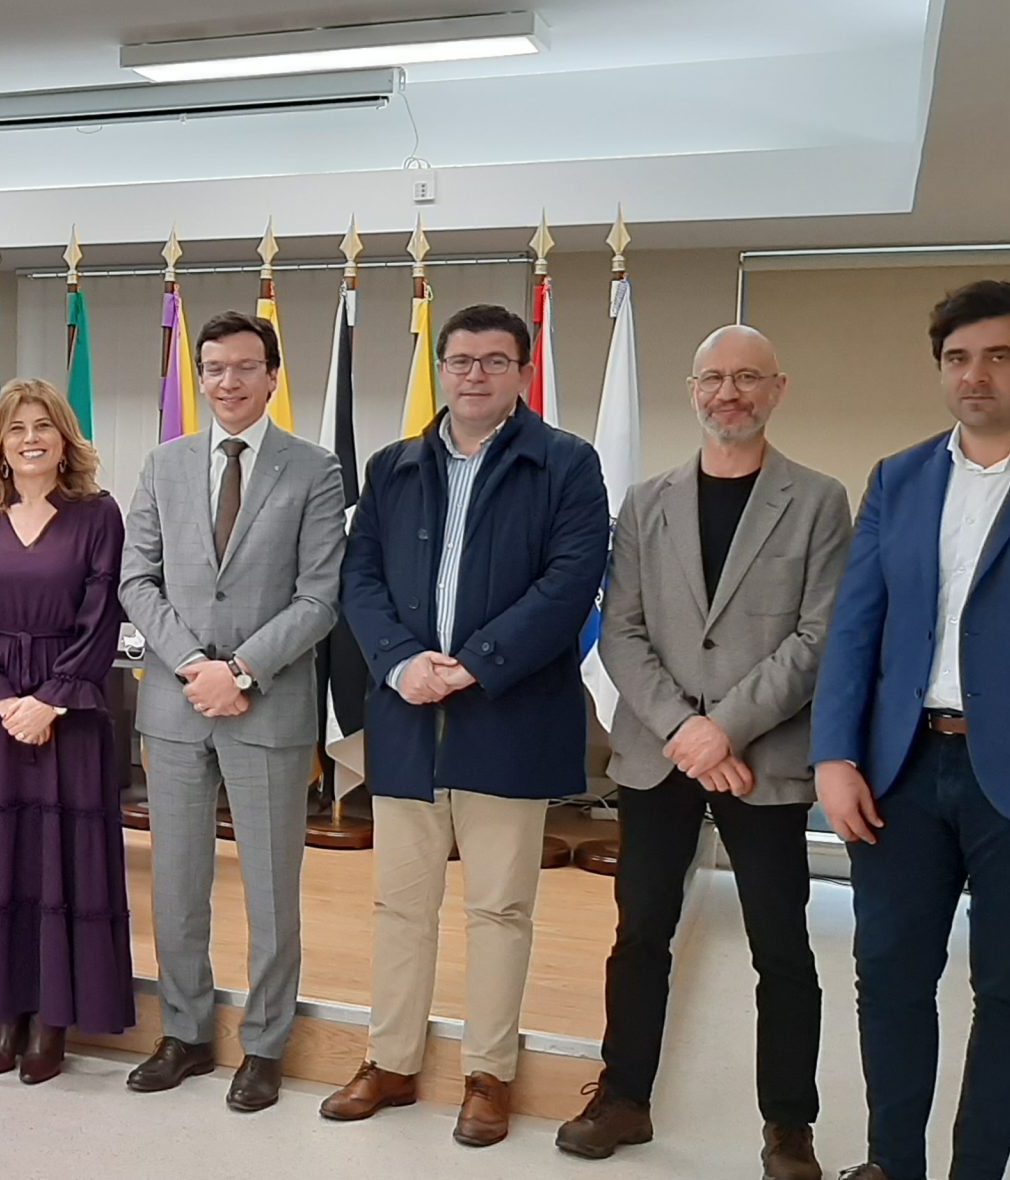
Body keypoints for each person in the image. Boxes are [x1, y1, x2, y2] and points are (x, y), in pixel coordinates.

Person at [812, 281, 1010, 1180]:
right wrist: (835, 755)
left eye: (998, 355)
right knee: (887, 977)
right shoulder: (901, 476)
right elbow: (856, 630)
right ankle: (892, 1166)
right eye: (957, 358)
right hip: (901, 771)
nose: (975, 375)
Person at [556, 326, 847, 1178]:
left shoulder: (819, 499)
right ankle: (624, 1097)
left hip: (763, 758)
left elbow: (819, 634)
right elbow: (622, 632)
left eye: (749, 377)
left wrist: (727, 728)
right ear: (692, 391)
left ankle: (789, 1126)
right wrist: (687, 731)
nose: (731, 393)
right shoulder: (645, 504)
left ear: (778, 387)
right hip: (660, 754)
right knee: (640, 931)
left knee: (781, 947)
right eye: (715, 378)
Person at [324, 305, 608, 1146]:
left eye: (494, 360)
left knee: (501, 909)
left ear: (522, 371)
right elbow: (360, 573)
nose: (474, 374)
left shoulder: (566, 463)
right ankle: (392, 1060)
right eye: (460, 360)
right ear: (441, 369)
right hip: (407, 718)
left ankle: (490, 1074)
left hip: (509, 716)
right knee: (400, 907)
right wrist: (402, 661)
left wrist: (478, 661)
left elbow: (571, 579)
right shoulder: (394, 465)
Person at [117, 311, 347, 1113]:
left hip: (268, 706)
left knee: (270, 889)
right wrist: (192, 665)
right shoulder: (164, 463)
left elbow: (321, 595)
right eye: (213, 368)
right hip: (177, 707)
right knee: (176, 884)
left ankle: (265, 1045)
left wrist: (241, 670)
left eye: (245, 367)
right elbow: (135, 580)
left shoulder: (314, 470)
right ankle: (183, 1033)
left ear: (273, 375)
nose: (228, 382)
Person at [0, 377, 133, 1086]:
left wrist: (49, 701)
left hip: (68, 714)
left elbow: (102, 613)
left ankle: (52, 1021)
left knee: (59, 863)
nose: (31, 439)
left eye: (43, 425)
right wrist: (5, 698)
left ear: (64, 436)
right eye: (16, 428)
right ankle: (3, 1015)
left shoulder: (98, 515)